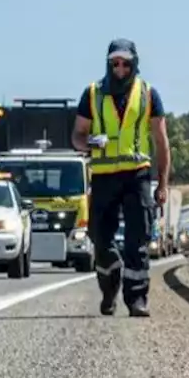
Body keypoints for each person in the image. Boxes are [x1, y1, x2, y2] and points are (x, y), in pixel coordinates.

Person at [71, 38, 171, 317]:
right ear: (108, 63)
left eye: (125, 63)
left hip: (137, 174)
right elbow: (76, 137)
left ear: (134, 63)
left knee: (137, 239)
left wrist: (162, 184)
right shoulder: (92, 94)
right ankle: (109, 284)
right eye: (115, 63)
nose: (120, 68)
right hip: (103, 176)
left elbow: (162, 143)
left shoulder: (149, 94)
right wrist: (91, 142)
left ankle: (137, 298)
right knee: (100, 238)